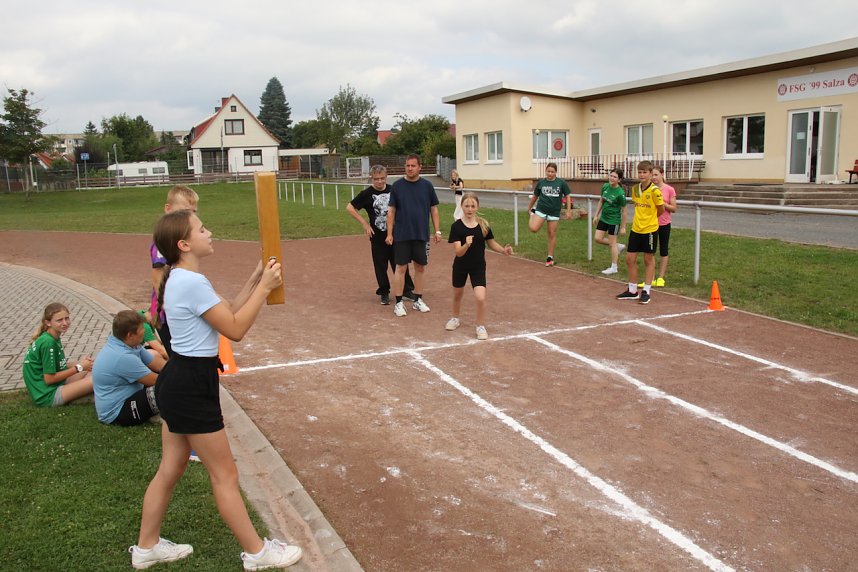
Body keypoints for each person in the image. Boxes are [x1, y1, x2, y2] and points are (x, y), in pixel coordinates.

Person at [130, 210, 302, 570]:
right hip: (191, 387)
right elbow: (236, 328)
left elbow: (228, 310)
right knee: (225, 475)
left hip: (179, 382)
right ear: (184, 244)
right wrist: (268, 288)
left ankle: (147, 547)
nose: (210, 232)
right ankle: (257, 554)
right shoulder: (190, 282)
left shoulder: (183, 277)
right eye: (202, 228)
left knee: (170, 469)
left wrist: (257, 278)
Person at [445, 192, 513, 340]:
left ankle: (480, 326)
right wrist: (466, 245)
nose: (469, 209)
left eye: (472, 206)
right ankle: (455, 318)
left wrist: (503, 250)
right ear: (461, 206)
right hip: (460, 266)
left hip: (478, 267)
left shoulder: (483, 225)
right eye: (466, 206)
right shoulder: (456, 227)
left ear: (477, 207)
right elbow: (458, 252)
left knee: (480, 297)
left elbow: (491, 243)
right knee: (457, 294)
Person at [346, 165, 414, 305]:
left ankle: (406, 290)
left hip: (396, 235)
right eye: (376, 179)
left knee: (400, 263)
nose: (379, 181)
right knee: (380, 265)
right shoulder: (366, 194)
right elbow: (349, 207)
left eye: (382, 178)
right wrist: (364, 223)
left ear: (386, 177)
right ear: (372, 178)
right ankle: (384, 292)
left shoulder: (394, 190)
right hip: (377, 236)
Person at [385, 154, 442, 317]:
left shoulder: (427, 186)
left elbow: (434, 209)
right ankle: (398, 303)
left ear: (419, 167)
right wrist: (389, 233)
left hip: (421, 235)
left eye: (413, 166)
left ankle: (417, 300)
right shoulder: (397, 186)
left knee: (420, 268)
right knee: (400, 268)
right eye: (407, 166)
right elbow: (391, 211)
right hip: (402, 235)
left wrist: (437, 230)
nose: (410, 168)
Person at [150, 185, 199, 358]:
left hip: (178, 308)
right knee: (178, 360)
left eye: (193, 212)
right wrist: (168, 308)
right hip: (168, 314)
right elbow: (157, 277)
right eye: (185, 211)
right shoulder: (164, 242)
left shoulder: (183, 239)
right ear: (168, 209)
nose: (190, 216)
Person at [93, 310, 166, 426]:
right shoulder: (122, 357)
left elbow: (156, 363)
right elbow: (156, 380)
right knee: (168, 389)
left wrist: (179, 369)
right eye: (142, 329)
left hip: (130, 395)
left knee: (171, 383)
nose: (144, 332)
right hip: (117, 412)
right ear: (130, 335)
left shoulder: (127, 343)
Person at [22, 302, 94, 407]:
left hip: (51, 387)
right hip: (47, 395)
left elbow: (57, 365)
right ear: (48, 323)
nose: (65, 323)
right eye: (59, 320)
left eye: (67, 318)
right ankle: (74, 399)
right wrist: (79, 367)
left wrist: (83, 364)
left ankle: (77, 395)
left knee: (93, 369)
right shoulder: (48, 343)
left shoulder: (50, 336)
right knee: (97, 379)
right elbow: (49, 379)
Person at [616, 161, 664, 305]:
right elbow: (638, 206)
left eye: (645, 172)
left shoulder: (655, 191)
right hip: (636, 229)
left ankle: (646, 291)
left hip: (650, 230)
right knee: (630, 259)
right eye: (640, 172)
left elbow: (660, 210)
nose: (642, 175)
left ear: (650, 174)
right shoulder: (636, 189)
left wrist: (650, 220)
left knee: (648, 259)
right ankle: (632, 290)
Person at [526, 162, 573, 267]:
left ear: (556, 172)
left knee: (552, 233)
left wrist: (569, 211)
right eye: (548, 171)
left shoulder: (561, 183)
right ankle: (532, 215)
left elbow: (568, 196)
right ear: (545, 171)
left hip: (554, 212)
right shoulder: (541, 183)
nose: (550, 174)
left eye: (552, 172)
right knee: (533, 228)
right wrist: (529, 207)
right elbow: (535, 196)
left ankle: (550, 257)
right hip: (541, 209)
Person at [592, 169, 628, 275]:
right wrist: (596, 215)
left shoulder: (620, 193)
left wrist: (623, 227)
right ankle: (619, 246)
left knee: (612, 244)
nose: (612, 178)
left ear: (619, 179)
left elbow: (624, 211)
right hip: (604, 218)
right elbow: (601, 201)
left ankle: (614, 267)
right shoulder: (605, 186)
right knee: (598, 238)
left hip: (614, 220)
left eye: (615, 177)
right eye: (611, 176)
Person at [651, 166, 677, 287]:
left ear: (662, 174)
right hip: (651, 223)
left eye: (656, 175)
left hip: (664, 223)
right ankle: (650, 277)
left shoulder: (669, 189)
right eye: (652, 175)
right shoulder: (649, 189)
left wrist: (663, 203)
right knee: (650, 251)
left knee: (663, 249)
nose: (654, 177)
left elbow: (674, 208)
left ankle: (660, 278)